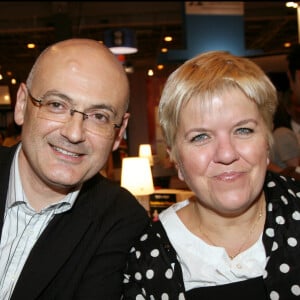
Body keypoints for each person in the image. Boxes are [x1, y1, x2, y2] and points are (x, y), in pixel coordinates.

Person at [122, 51, 300, 299]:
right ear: (176, 160)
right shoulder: (148, 257)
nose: (226, 154)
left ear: (267, 143)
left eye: (244, 130)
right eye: (201, 137)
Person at [0, 38, 149, 300]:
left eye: (99, 116)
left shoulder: (122, 220)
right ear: (22, 104)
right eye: (57, 105)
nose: (74, 133)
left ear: (119, 133)